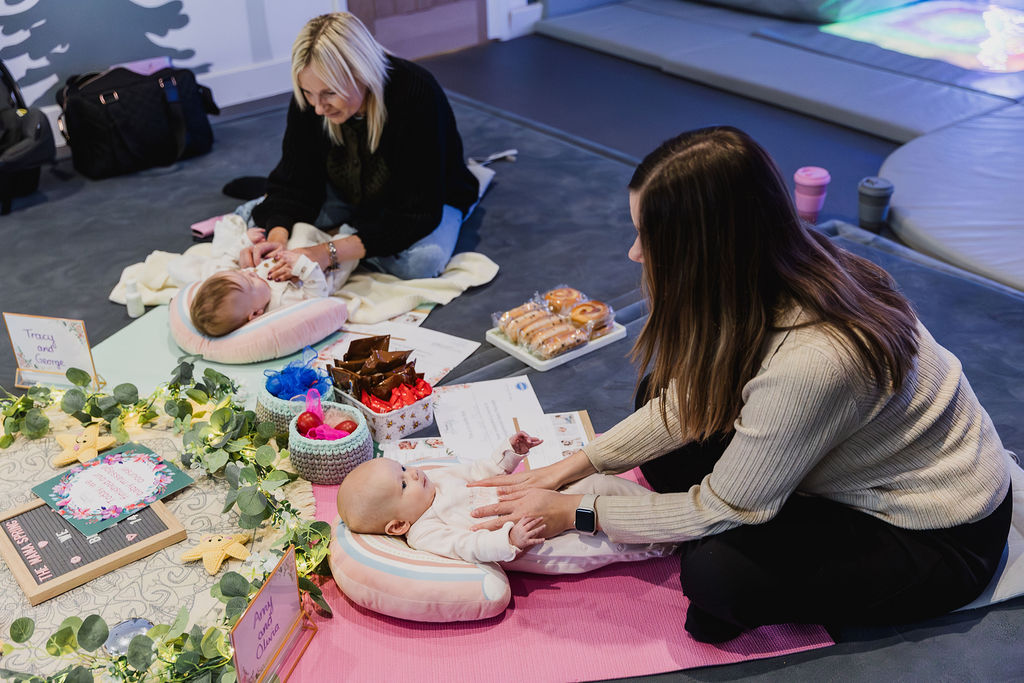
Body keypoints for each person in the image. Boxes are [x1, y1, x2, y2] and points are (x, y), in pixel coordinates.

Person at [467, 126, 1013, 643]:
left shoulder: (815, 360)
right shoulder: (777, 269)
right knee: (663, 399)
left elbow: (721, 508)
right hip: (847, 461)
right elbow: (692, 398)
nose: (634, 253)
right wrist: (573, 466)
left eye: (647, 236)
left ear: (703, 249)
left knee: (717, 579)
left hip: (932, 532)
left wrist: (578, 511)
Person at [239, 12, 479, 282]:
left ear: (362, 74)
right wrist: (277, 239)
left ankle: (357, 234)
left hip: (421, 200)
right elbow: (294, 180)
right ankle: (358, 234)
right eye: (307, 93)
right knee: (272, 221)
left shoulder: (416, 94)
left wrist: (328, 252)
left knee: (420, 264)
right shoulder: (313, 98)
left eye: (330, 93)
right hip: (348, 191)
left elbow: (416, 213)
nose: (318, 108)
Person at [189, 217, 348, 337]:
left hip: (291, 256)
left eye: (239, 273)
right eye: (250, 282)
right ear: (255, 314)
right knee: (344, 244)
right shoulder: (281, 305)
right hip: (327, 274)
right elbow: (317, 299)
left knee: (301, 228)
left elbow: (227, 262)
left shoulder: (241, 287)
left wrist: (244, 242)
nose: (249, 272)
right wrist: (304, 266)